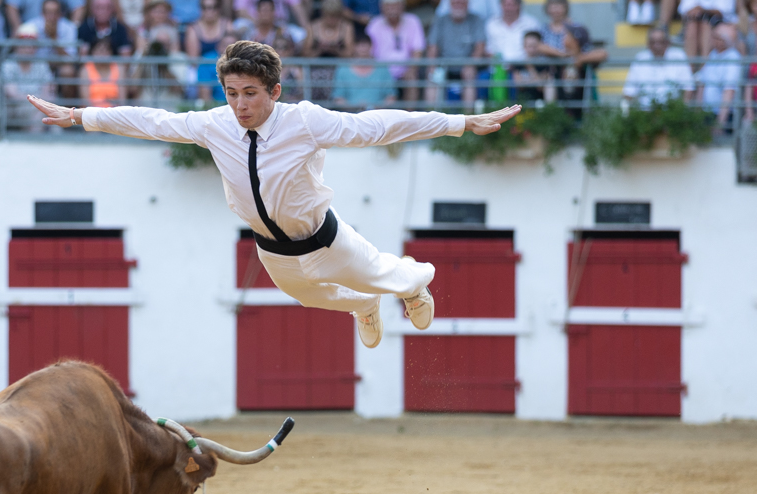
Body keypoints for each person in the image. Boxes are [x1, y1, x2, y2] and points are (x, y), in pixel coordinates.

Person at [26, 40, 520, 348]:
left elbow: (376, 126)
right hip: (272, 248)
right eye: (232, 93)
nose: (239, 105)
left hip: (325, 238)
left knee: (382, 273)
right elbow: (152, 121)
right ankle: (362, 307)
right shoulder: (214, 124)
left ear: (275, 91)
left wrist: (459, 122)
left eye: (250, 94)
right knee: (307, 297)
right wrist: (78, 115)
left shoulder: (304, 120)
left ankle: (415, 285)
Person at [425, 0, 486, 106]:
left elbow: (480, 47)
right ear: (450, 3)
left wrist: (471, 64)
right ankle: (432, 118)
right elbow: (432, 46)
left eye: (462, 2)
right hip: (443, 66)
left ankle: (468, 119)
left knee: (470, 78)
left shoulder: (476, 20)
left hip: (467, 66)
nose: (458, 3)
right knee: (432, 79)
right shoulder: (440, 20)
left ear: (468, 3)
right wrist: (432, 66)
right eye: (455, 1)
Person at [366, 0, 426, 101]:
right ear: (382, 8)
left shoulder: (413, 21)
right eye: (388, 6)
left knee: (412, 79)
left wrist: (411, 69)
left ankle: (409, 115)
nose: (392, 9)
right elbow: (368, 52)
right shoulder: (374, 24)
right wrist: (376, 72)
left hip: (406, 70)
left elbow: (417, 50)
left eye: (395, 6)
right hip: (380, 71)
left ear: (402, 7)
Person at [2, 21, 57, 128]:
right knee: (40, 114)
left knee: (53, 114)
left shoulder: (41, 64)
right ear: (17, 45)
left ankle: (60, 142)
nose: (29, 49)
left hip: (37, 106)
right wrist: (37, 102)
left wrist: (39, 103)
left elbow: (48, 91)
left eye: (32, 45)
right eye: (25, 44)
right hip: (13, 108)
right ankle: (36, 142)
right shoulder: (8, 64)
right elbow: (12, 95)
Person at [623, 26, 695, 106]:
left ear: (667, 43)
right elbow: (628, 92)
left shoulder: (678, 56)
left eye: (660, 42)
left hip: (672, 111)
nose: (657, 46)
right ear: (648, 44)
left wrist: (683, 111)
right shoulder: (640, 58)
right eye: (653, 42)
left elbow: (688, 88)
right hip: (646, 112)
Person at [692, 23, 741, 128]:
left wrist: (720, 123)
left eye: (717, 37)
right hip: (707, 112)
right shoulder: (713, 54)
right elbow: (702, 83)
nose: (713, 39)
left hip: (722, 115)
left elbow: (729, 91)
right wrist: (697, 113)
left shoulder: (733, 57)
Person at [331, 33, 396, 108]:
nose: (363, 47)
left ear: (371, 46)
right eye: (359, 44)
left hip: (378, 116)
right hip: (351, 116)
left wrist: (375, 108)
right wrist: (355, 108)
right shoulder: (343, 69)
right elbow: (338, 98)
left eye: (366, 44)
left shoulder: (382, 69)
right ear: (353, 47)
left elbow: (391, 97)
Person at [305, 0, 353, 101]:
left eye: (335, 16)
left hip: (340, 70)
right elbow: (305, 53)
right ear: (323, 13)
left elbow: (350, 54)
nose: (332, 19)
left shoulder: (347, 27)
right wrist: (319, 50)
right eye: (329, 16)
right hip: (316, 70)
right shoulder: (312, 27)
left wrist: (336, 51)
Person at [81, 35, 125, 105]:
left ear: (111, 53)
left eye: (106, 50)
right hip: (92, 113)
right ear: (92, 52)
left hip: (114, 113)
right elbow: (85, 102)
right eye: (99, 50)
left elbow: (122, 101)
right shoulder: (85, 70)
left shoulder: (119, 69)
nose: (102, 54)